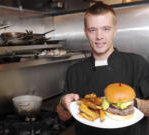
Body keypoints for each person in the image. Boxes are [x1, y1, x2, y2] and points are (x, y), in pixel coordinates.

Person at [57, 1, 149, 135]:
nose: (99, 36)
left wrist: (134, 104)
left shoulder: (137, 63)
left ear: (115, 29)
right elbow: (62, 116)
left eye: (106, 29)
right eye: (92, 30)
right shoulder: (75, 71)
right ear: (85, 32)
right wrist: (63, 104)